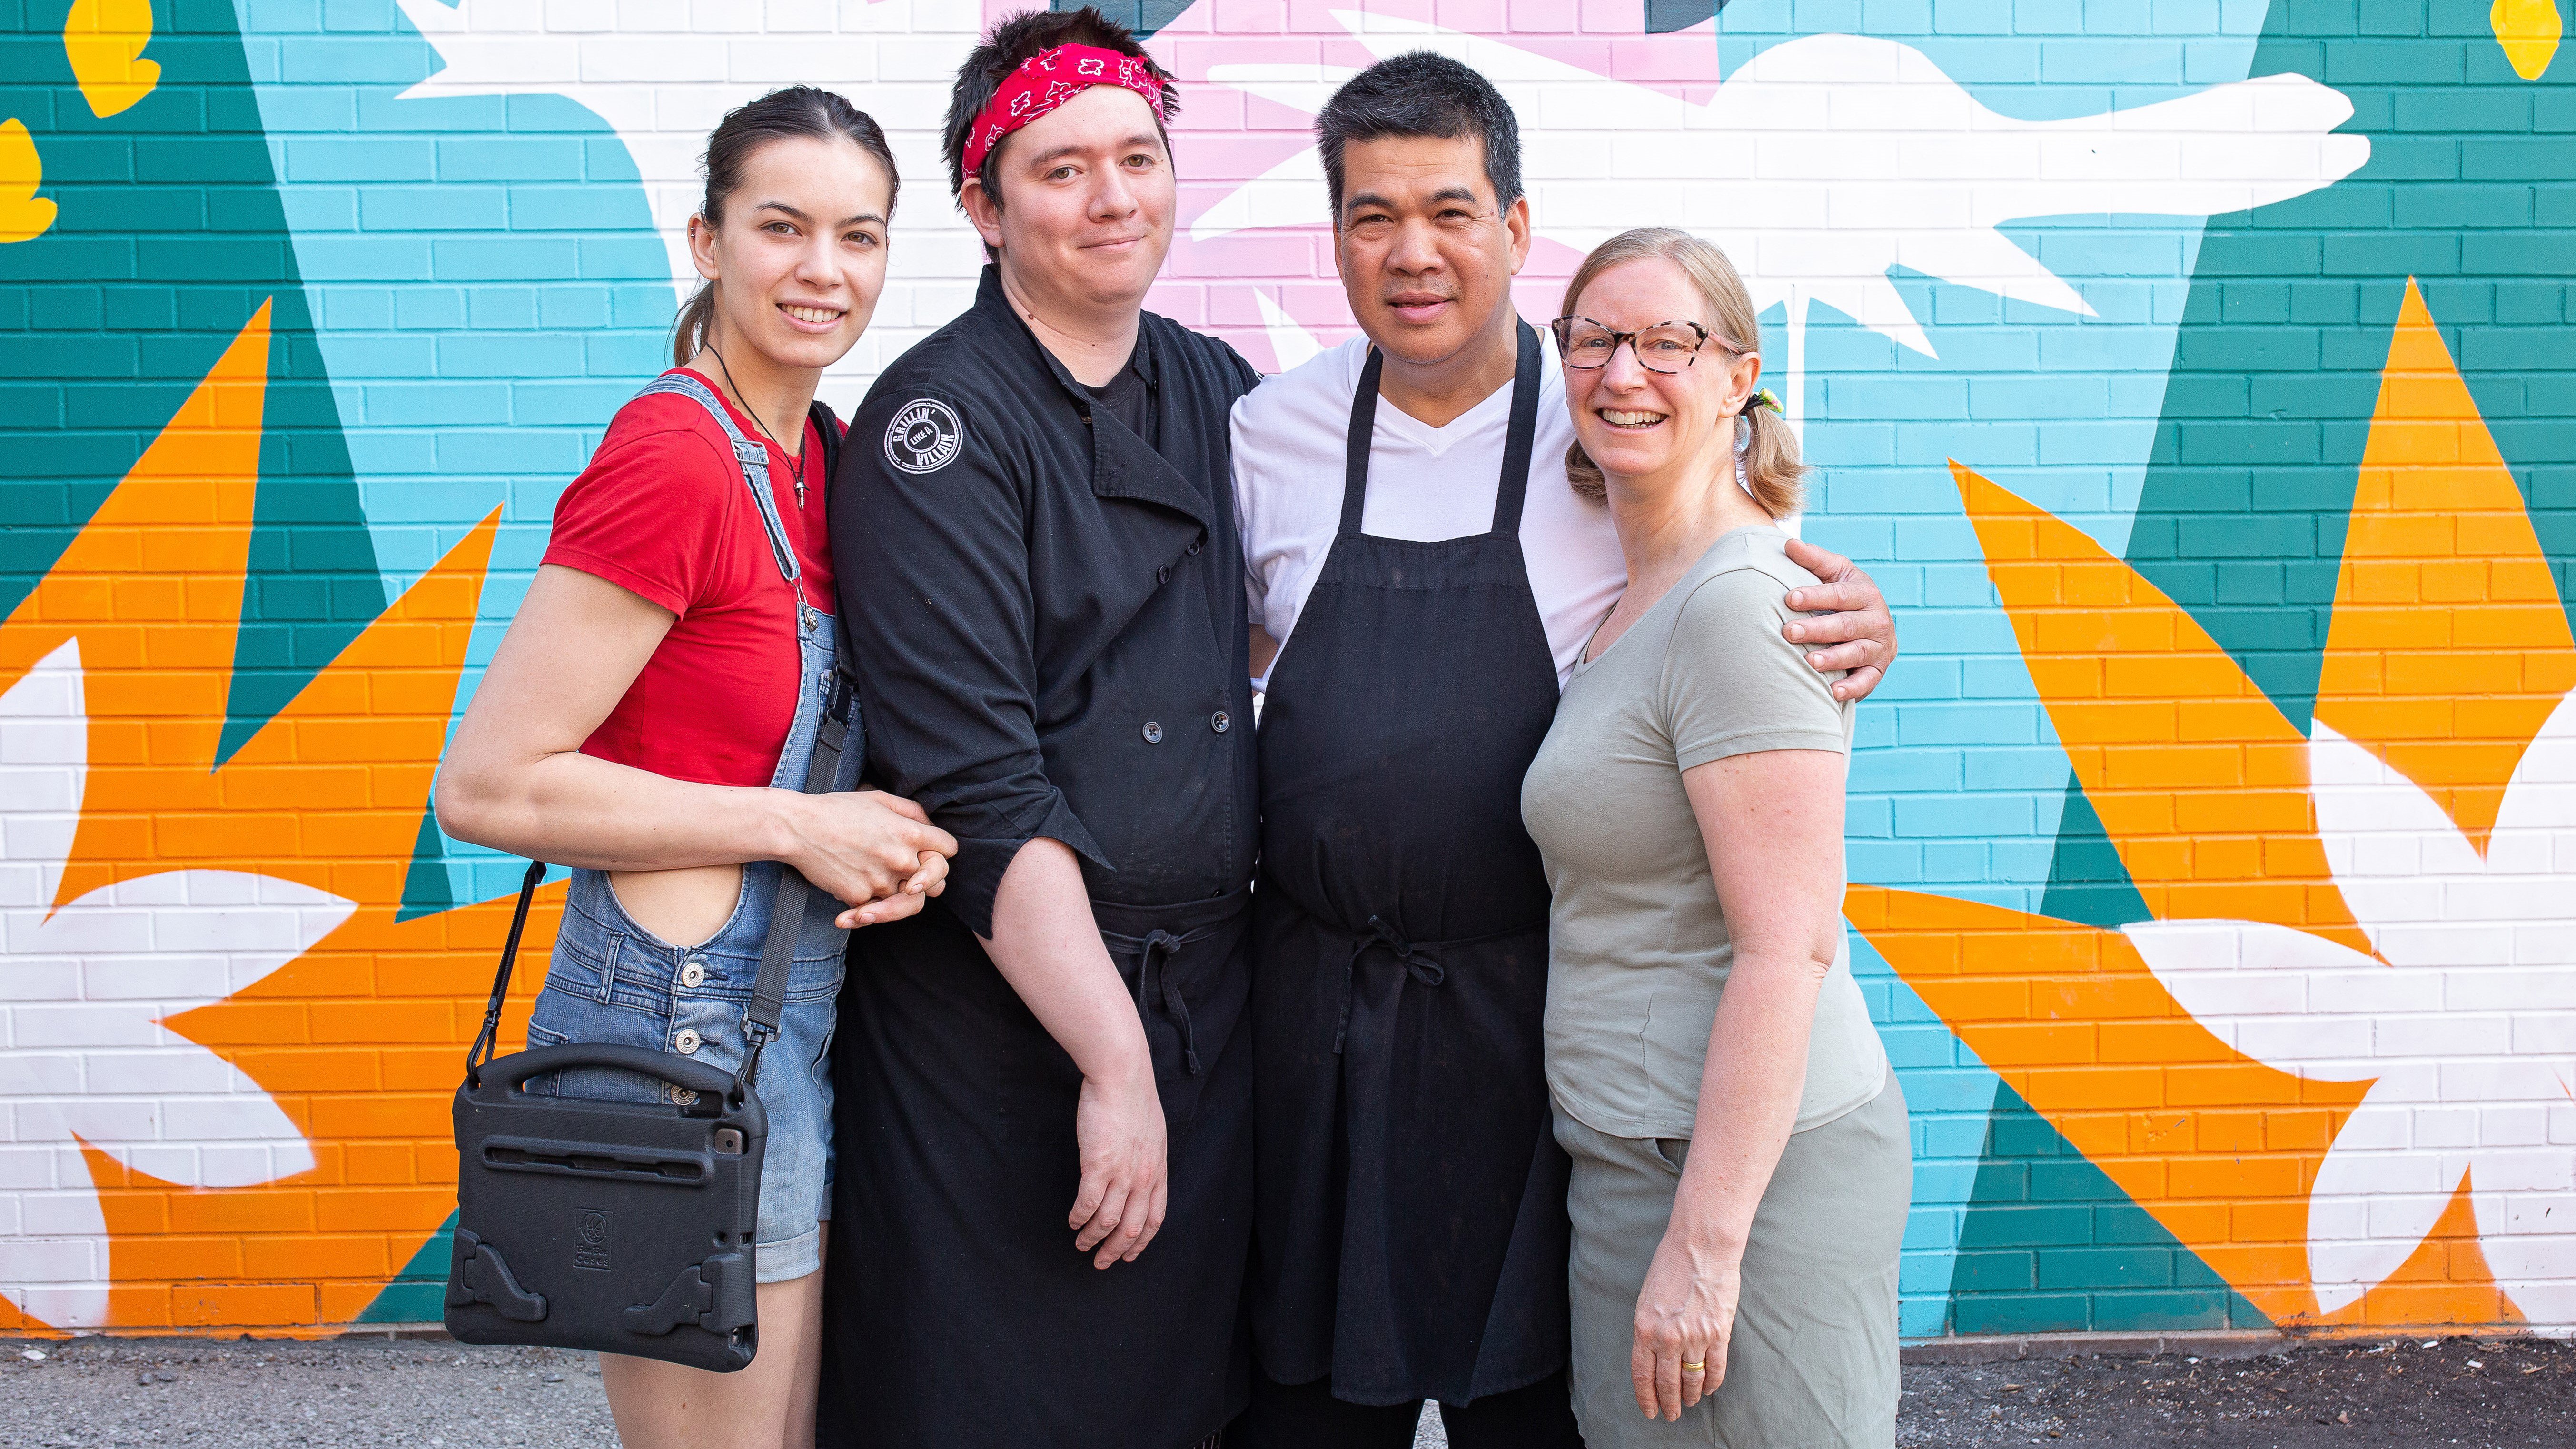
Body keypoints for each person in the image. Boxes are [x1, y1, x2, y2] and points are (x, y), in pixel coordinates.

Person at [1228, 57, 1899, 1447]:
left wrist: (1854, 621)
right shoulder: (1264, 434)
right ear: (1334, 234)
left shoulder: (1600, 430)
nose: (1413, 252)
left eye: (1452, 211)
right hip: (1319, 1025)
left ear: (1517, 232)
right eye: (1371, 216)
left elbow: (1742, 578)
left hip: (1524, 1043)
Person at [434, 88, 954, 1449]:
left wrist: (894, 836)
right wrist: (798, 822)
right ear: (707, 240)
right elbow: (488, 784)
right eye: (780, 227)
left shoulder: (823, 458)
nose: (821, 270)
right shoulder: (673, 454)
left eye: (858, 234)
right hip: (672, 1020)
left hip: (792, 1005)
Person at [813, 10, 1260, 1448]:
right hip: (1001, 1026)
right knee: (988, 1399)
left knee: (1177, 1399)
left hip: (1200, 995)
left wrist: (1725, 570)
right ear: (981, 206)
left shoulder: (1213, 384)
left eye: (1138, 156)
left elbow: (1392, 559)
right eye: (1061, 169)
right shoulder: (935, 422)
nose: (1112, 195)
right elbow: (986, 791)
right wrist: (1114, 1067)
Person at [1519, 228, 1909, 1448]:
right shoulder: (1629, 586)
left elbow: (1789, 948)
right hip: (1633, 1160)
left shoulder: (1740, 603)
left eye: (1666, 342)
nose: (1622, 371)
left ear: (1740, 377)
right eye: (1592, 339)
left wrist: (1705, 1243)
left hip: (1745, 1182)